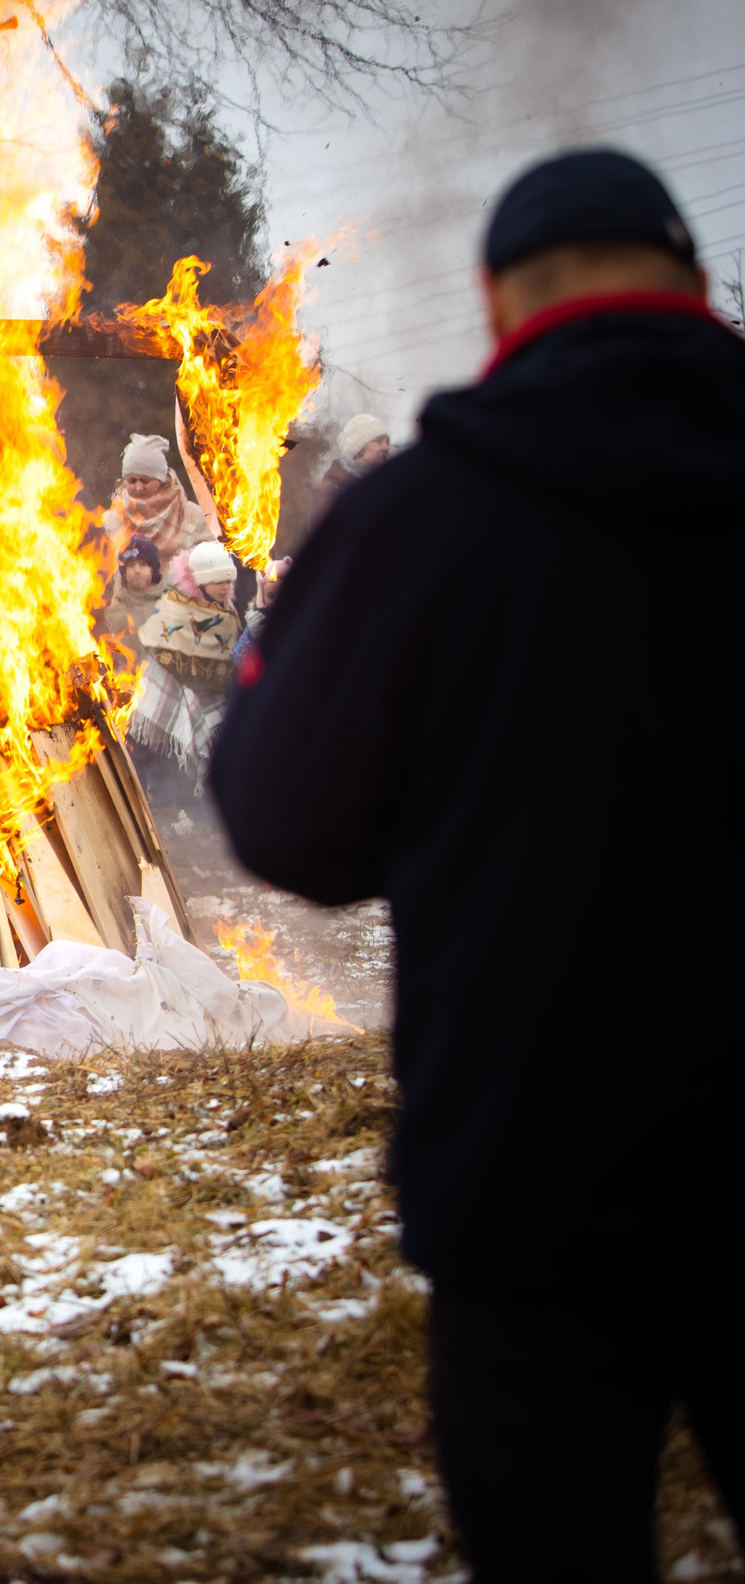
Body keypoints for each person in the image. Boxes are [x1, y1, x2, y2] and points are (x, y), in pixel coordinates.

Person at [209, 148, 745, 1583]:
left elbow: (280, 813)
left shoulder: (415, 524)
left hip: (537, 1176)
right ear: (695, 286)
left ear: (498, 301)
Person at [127, 540, 240, 792]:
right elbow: (162, 644)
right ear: (199, 581)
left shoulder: (226, 609)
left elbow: (229, 652)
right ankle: (174, 799)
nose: (225, 587)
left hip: (213, 690)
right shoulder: (176, 607)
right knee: (169, 759)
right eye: (218, 581)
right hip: (173, 690)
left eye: (228, 581)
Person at [102, 434, 217, 639]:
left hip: (177, 633)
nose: (138, 487)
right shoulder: (112, 520)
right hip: (126, 632)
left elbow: (213, 581)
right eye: (132, 480)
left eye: (145, 480)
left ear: (161, 479)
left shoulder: (194, 519)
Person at [310, 412, 396, 525]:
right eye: (378, 441)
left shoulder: (390, 484)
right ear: (359, 448)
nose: (386, 447)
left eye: (387, 442)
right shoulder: (330, 488)